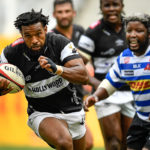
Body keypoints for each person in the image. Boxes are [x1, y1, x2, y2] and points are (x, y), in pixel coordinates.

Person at [0, 9, 89, 150]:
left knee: (87, 145)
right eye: (27, 36)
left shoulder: (59, 43)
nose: (34, 40)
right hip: (41, 112)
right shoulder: (10, 53)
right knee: (64, 142)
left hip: (73, 109)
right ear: (21, 34)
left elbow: (83, 76)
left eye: (38, 34)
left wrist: (57, 69)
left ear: (45, 29)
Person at [84, 13, 150, 150]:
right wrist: (95, 97)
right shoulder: (124, 58)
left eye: (139, 31)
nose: (132, 35)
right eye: (129, 30)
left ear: (149, 34)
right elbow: (110, 83)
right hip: (142, 117)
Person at [78, 0, 135, 149]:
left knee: (130, 144)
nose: (111, 9)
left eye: (115, 5)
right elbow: (77, 65)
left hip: (133, 93)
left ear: (122, 6)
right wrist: (95, 83)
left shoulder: (133, 27)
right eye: (107, 5)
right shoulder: (92, 32)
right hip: (106, 94)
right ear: (101, 7)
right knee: (114, 143)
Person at [51, 0, 93, 149]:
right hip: (60, 98)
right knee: (70, 143)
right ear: (54, 14)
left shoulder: (80, 31)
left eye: (67, 11)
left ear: (73, 13)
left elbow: (85, 65)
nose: (64, 15)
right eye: (60, 12)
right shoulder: (50, 38)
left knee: (86, 144)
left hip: (78, 95)